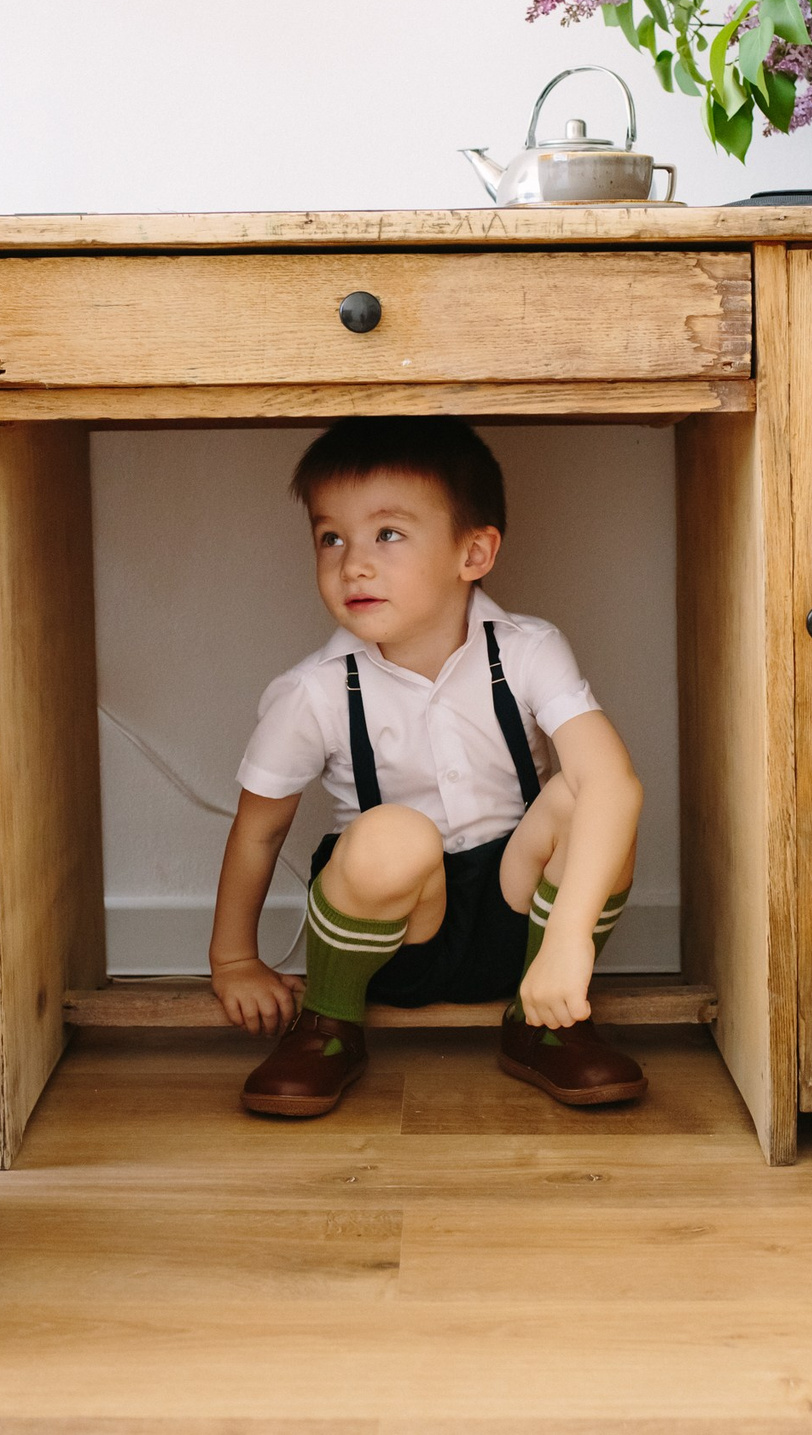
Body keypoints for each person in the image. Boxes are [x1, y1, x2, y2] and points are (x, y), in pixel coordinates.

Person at [208, 417, 648, 1116]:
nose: (352, 562)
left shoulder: (527, 649)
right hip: (398, 937)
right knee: (395, 835)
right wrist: (234, 960)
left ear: (473, 552)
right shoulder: (313, 691)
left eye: (387, 533)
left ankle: (548, 1023)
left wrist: (567, 943)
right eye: (331, 537)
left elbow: (614, 786)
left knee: (586, 791)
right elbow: (257, 831)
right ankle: (328, 1021)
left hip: (516, 921)